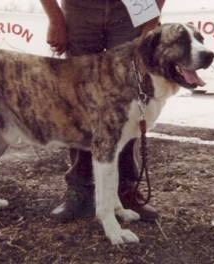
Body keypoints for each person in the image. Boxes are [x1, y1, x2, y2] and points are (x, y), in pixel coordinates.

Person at [40, 0, 165, 223]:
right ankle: (80, 189)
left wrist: (150, 23)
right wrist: (55, 17)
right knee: (79, 100)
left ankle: (125, 188)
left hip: (132, 8)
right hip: (79, 10)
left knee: (130, 97)